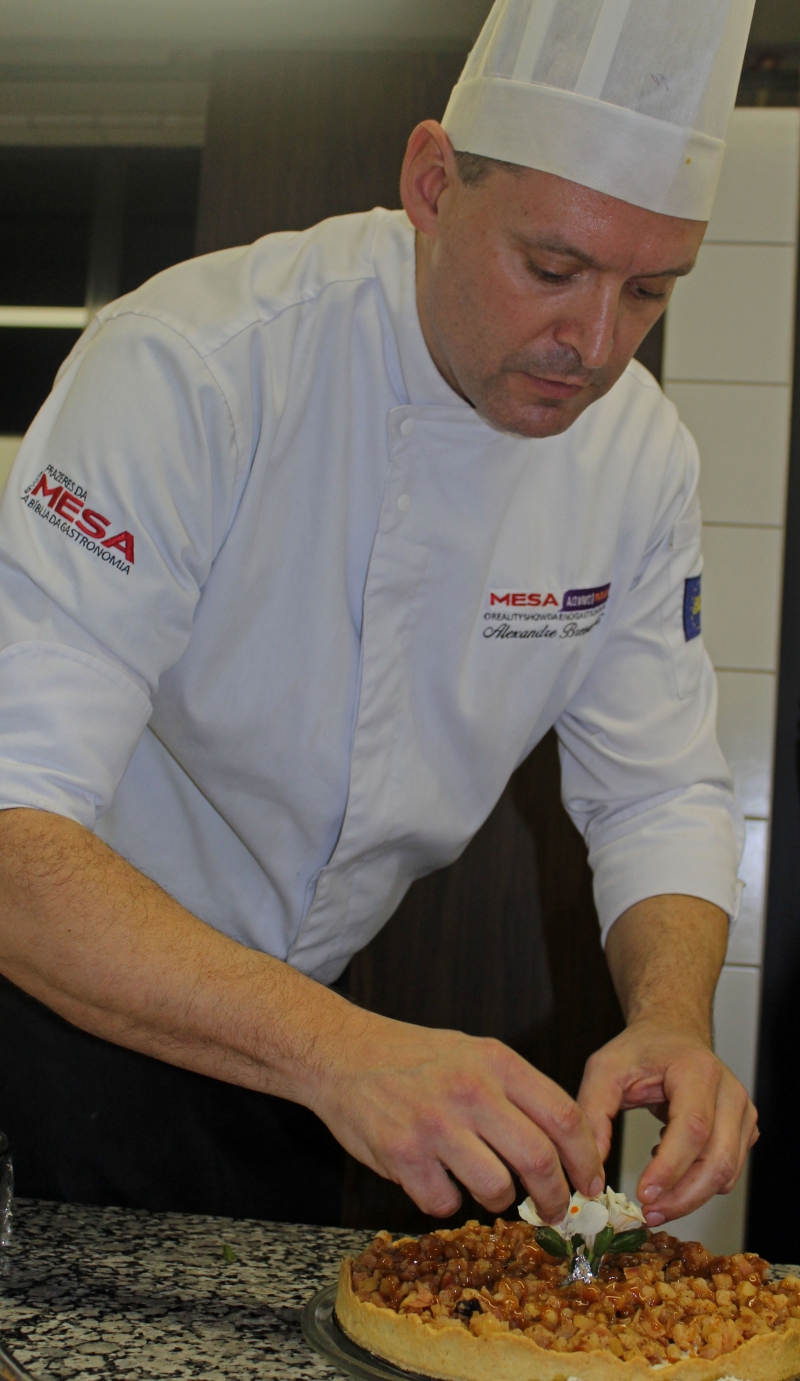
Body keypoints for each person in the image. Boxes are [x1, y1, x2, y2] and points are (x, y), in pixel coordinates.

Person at [0, 0, 759, 1229]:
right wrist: (338, 1049)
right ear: (430, 183)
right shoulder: (195, 368)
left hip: (284, 1052)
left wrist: (669, 1017)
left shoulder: (635, 458)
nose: (591, 343)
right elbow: (11, 823)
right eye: (550, 269)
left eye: (646, 292)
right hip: (47, 1002)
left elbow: (655, 793)